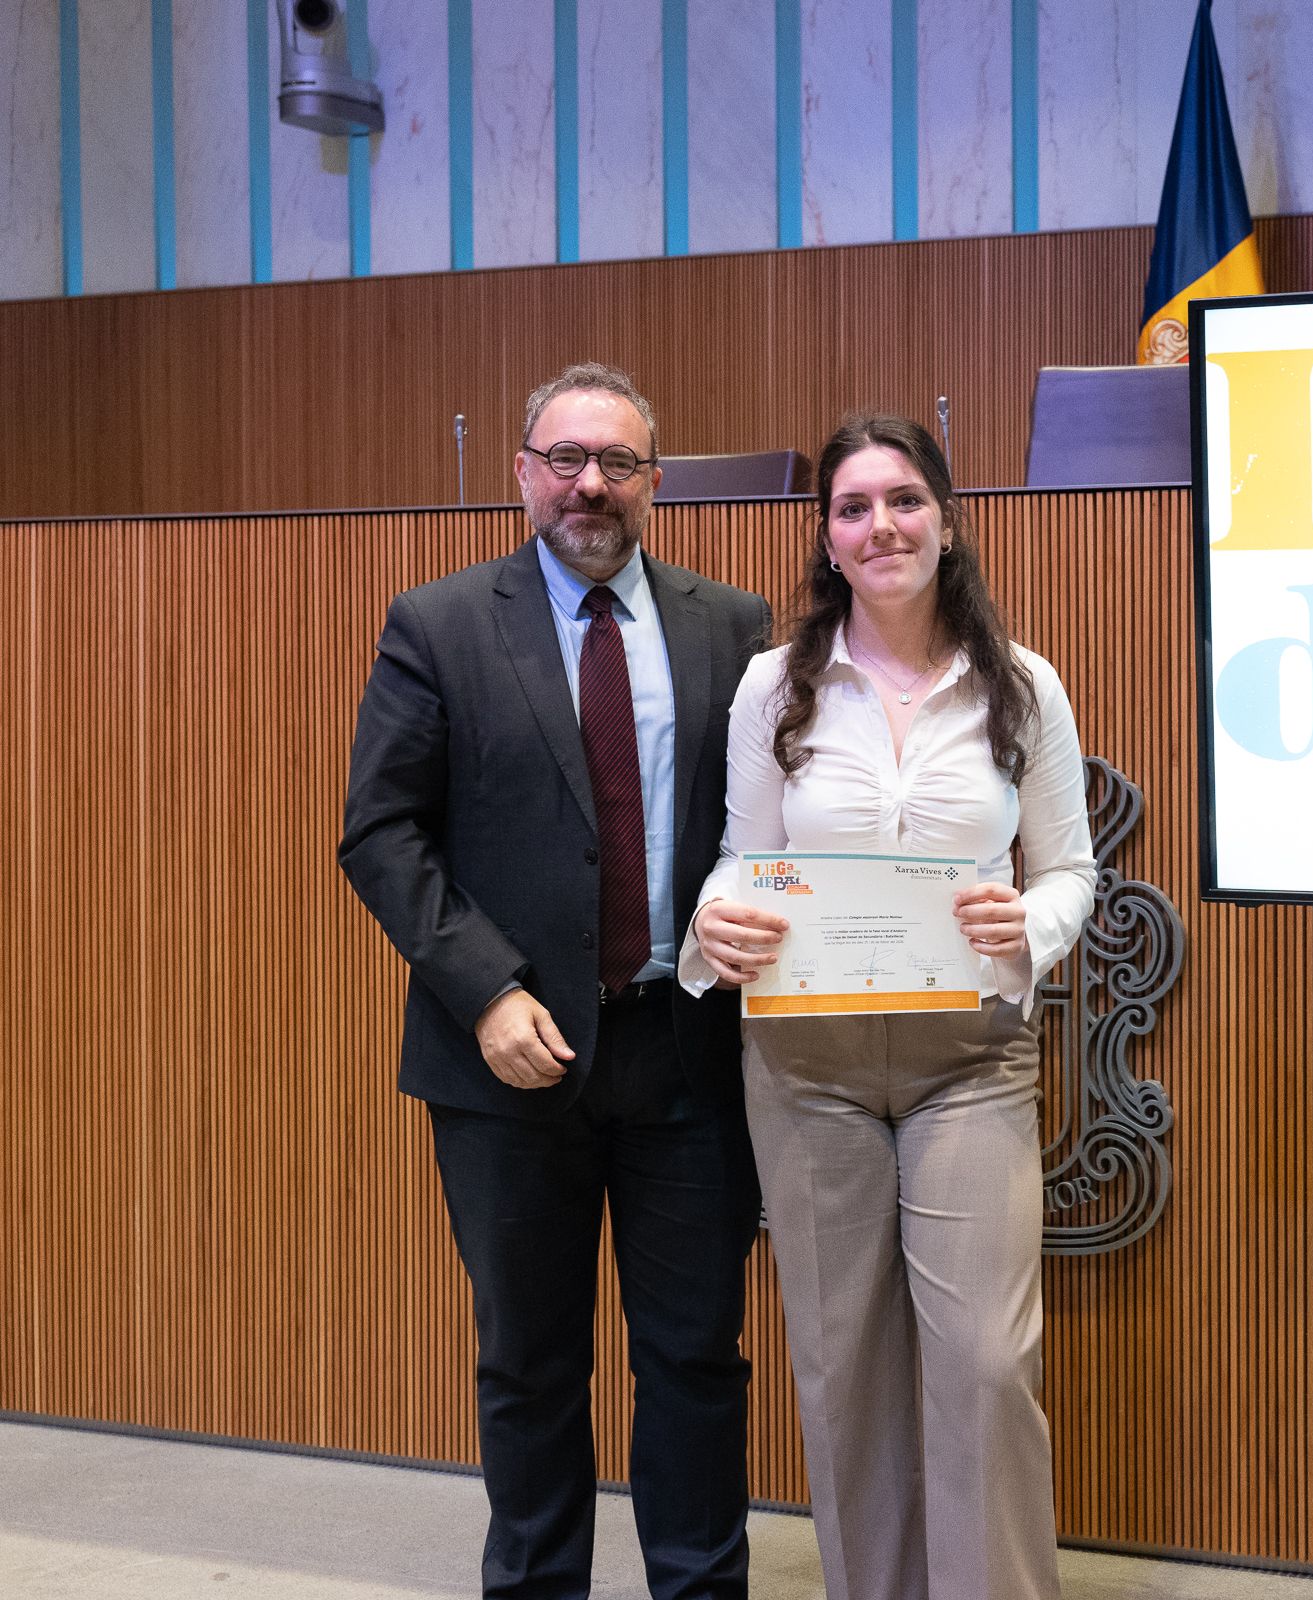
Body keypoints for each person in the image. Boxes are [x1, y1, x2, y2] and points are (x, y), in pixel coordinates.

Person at [339, 362, 772, 1599]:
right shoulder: (438, 623)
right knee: (529, 1363)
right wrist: (484, 989)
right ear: (523, 470)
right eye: (566, 458)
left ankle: (701, 1584)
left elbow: (760, 832)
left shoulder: (730, 626)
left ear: (657, 482)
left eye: (620, 463)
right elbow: (383, 834)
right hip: (507, 1059)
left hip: (685, 1052)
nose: (592, 483)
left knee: (695, 1357)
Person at [684, 413, 1097, 1600]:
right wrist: (716, 927)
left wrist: (1039, 924)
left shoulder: (1023, 687)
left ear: (948, 520)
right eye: (854, 507)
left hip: (969, 1060)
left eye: (905, 500)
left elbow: (1069, 867)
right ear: (827, 538)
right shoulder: (777, 684)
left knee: (982, 1365)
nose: (882, 526)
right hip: (804, 1067)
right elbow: (740, 858)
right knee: (843, 1367)